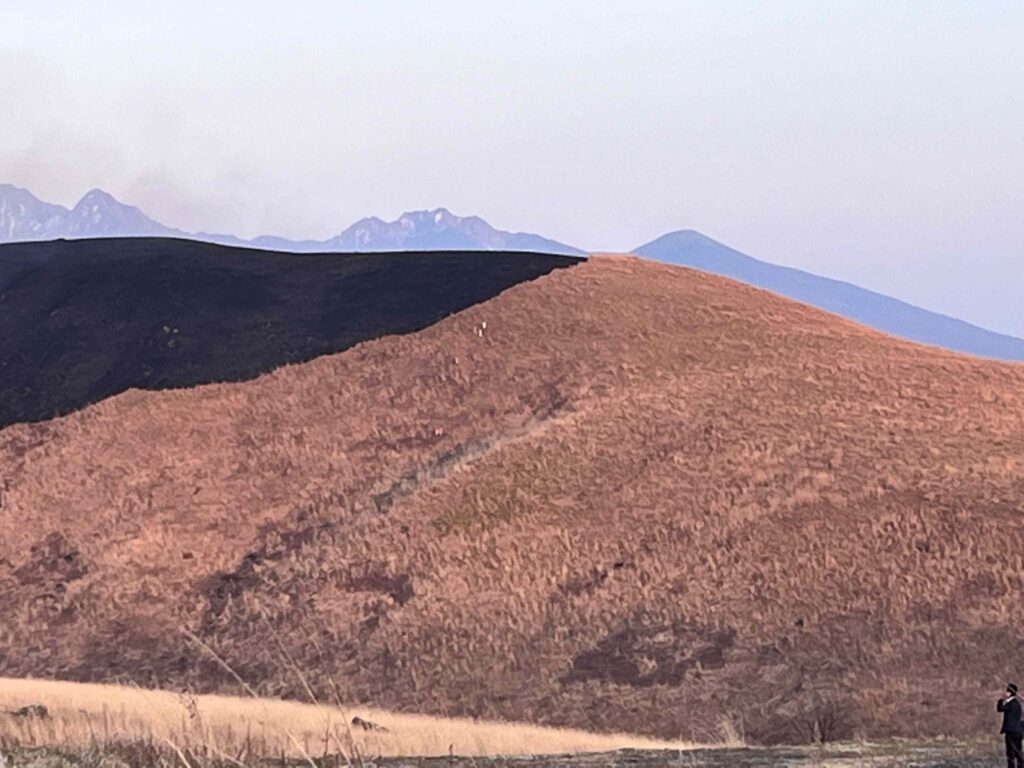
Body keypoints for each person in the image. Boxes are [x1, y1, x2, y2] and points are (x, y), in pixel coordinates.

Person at [998, 683, 1024, 768]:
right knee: (1018, 751)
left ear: (1010, 693)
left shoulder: (1011, 704)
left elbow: (1000, 709)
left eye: (1007, 691)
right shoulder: (1017, 704)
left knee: (1011, 752)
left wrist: (1000, 700)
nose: (1005, 693)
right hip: (1018, 731)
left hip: (1011, 732)